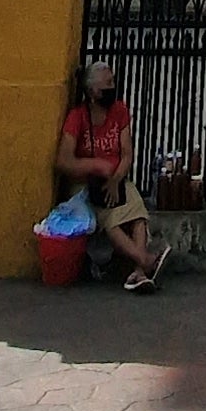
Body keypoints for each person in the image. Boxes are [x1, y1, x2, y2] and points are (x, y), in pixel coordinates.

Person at [54, 62, 171, 290]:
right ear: (91, 92)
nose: (112, 88)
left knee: (137, 213)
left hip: (116, 179)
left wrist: (116, 179)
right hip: (87, 185)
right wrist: (95, 166)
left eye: (113, 82)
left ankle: (138, 272)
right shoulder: (77, 118)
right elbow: (63, 162)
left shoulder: (119, 111)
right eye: (106, 85)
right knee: (111, 220)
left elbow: (127, 154)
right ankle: (146, 261)